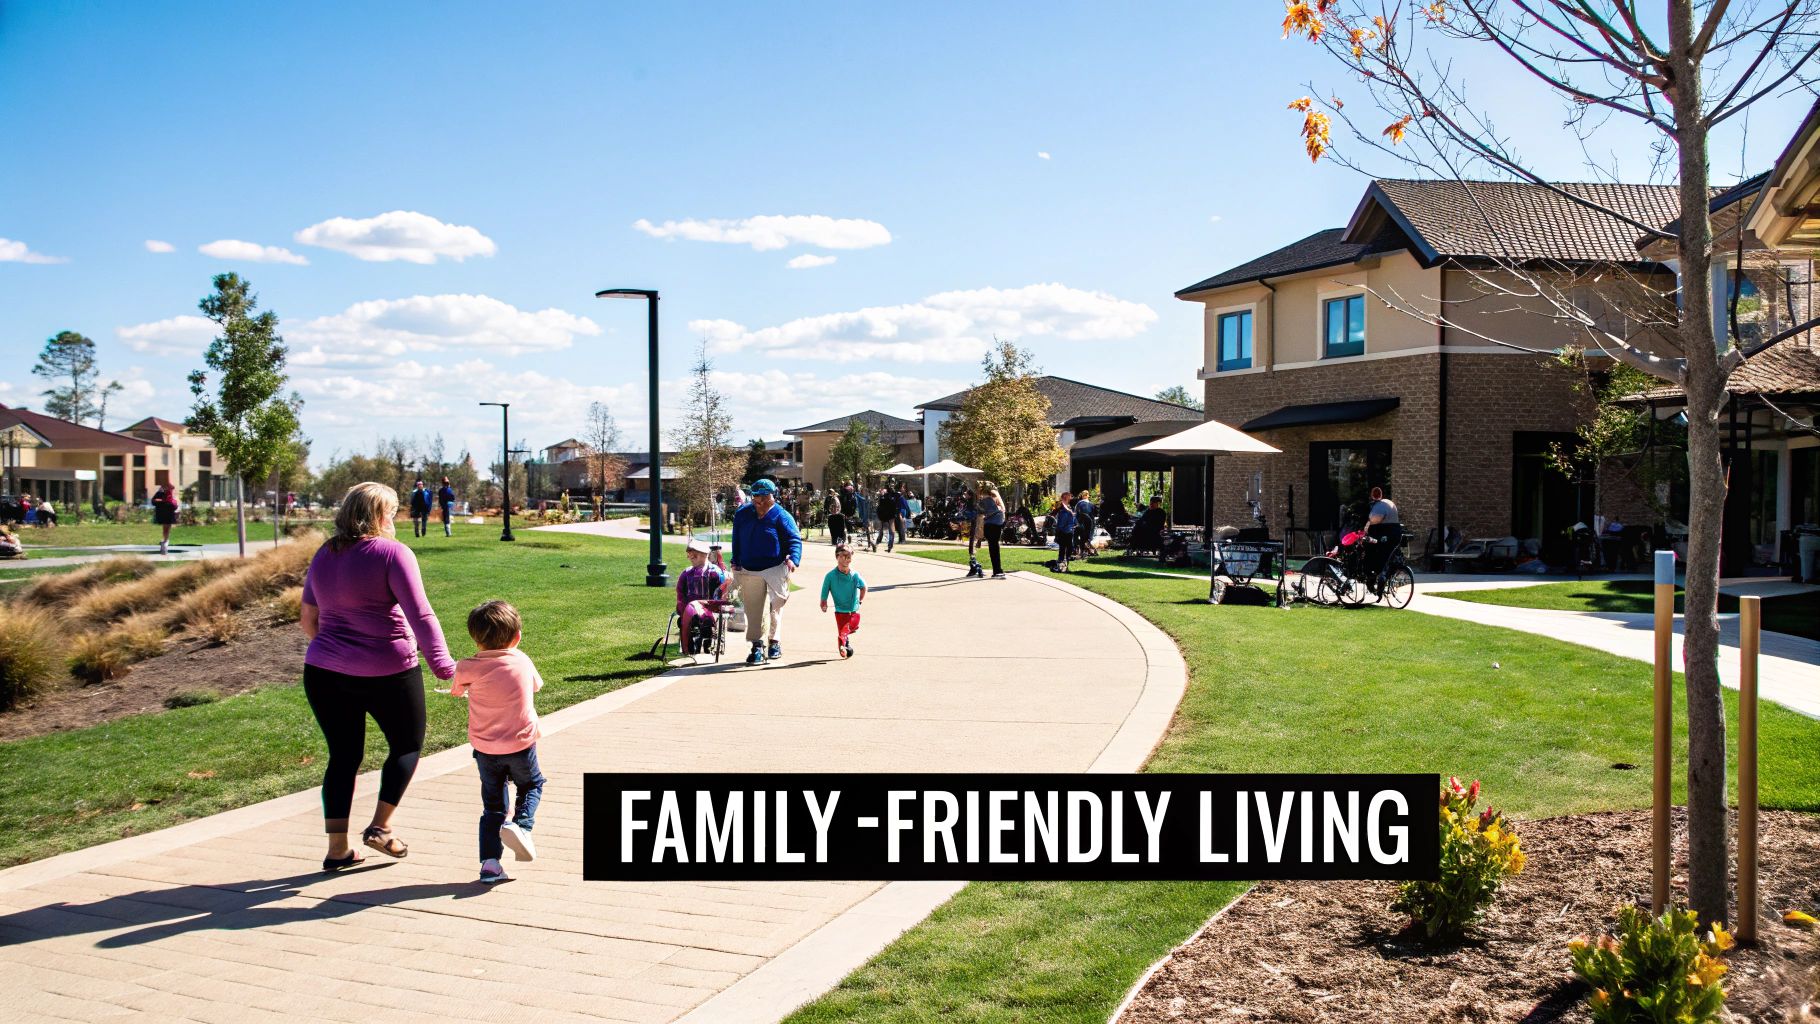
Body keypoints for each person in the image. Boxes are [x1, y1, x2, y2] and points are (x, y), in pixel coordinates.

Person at [299, 481, 457, 871]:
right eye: (392, 511)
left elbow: (308, 619)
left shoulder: (325, 553)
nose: (395, 519)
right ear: (379, 515)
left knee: (343, 756)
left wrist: (338, 650)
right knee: (406, 745)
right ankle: (381, 828)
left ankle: (338, 849)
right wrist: (445, 668)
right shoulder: (393, 553)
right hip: (388, 670)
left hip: (324, 671)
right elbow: (421, 615)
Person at [447, 600, 546, 885]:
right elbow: (536, 686)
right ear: (517, 637)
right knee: (531, 785)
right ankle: (522, 826)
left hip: (485, 749)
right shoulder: (522, 660)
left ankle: (490, 865)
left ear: (475, 639)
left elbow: (456, 691)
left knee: (492, 807)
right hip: (520, 744)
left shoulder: (467, 667)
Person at [731, 479, 802, 665]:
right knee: (754, 610)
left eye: (764, 497)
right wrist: (736, 560)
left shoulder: (781, 515)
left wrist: (793, 559)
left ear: (773, 496)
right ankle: (757, 646)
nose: (759, 501)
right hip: (749, 568)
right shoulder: (743, 514)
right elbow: (736, 539)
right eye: (756, 497)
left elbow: (794, 539)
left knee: (775, 607)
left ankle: (774, 642)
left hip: (775, 567)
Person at [676, 538, 731, 654]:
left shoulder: (715, 572)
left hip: (709, 609)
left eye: (694, 555)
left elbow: (720, 593)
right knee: (684, 621)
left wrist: (717, 606)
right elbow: (680, 593)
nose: (690, 557)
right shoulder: (686, 573)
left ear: (705, 555)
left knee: (707, 623)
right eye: (689, 555)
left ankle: (708, 640)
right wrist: (682, 607)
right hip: (690, 610)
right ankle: (688, 647)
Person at [819, 543, 868, 658]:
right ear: (837, 557)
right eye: (844, 556)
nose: (847, 559)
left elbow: (864, 587)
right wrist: (823, 602)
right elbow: (824, 591)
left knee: (852, 626)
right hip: (840, 610)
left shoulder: (855, 575)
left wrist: (860, 600)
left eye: (849, 556)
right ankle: (843, 647)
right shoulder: (830, 576)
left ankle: (844, 643)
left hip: (853, 610)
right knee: (843, 631)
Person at [979, 484, 1007, 578]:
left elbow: (980, 511)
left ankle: (997, 570)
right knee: (995, 547)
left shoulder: (986, 500)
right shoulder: (993, 500)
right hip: (996, 525)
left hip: (990, 525)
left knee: (993, 548)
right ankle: (997, 569)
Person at [151, 482, 179, 555]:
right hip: (166, 514)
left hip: (165, 514)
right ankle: (165, 544)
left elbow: (154, 501)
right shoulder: (165, 494)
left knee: (165, 529)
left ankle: (164, 543)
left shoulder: (161, 493)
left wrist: (161, 501)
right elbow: (174, 505)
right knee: (166, 529)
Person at [1052, 492, 1077, 572]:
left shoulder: (1069, 508)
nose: (1071, 498)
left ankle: (1064, 566)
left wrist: (1074, 525)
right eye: (1069, 497)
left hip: (1069, 531)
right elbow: (1061, 523)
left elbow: (1073, 519)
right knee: (1063, 549)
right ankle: (1060, 566)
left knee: (1068, 549)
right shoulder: (1062, 509)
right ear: (1065, 498)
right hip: (1064, 531)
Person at [875, 486, 899, 553]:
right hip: (890, 515)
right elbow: (895, 507)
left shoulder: (883, 498)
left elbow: (879, 507)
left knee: (881, 530)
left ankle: (877, 542)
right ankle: (889, 546)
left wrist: (879, 515)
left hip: (883, 515)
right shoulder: (893, 498)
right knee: (891, 531)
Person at [1074, 492, 1098, 560]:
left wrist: (1076, 523)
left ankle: (1081, 551)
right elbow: (1095, 514)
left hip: (1082, 523)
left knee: (1081, 537)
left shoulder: (1079, 504)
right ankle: (1086, 550)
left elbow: (1076, 513)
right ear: (1088, 496)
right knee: (1087, 538)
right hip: (1090, 523)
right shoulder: (1091, 504)